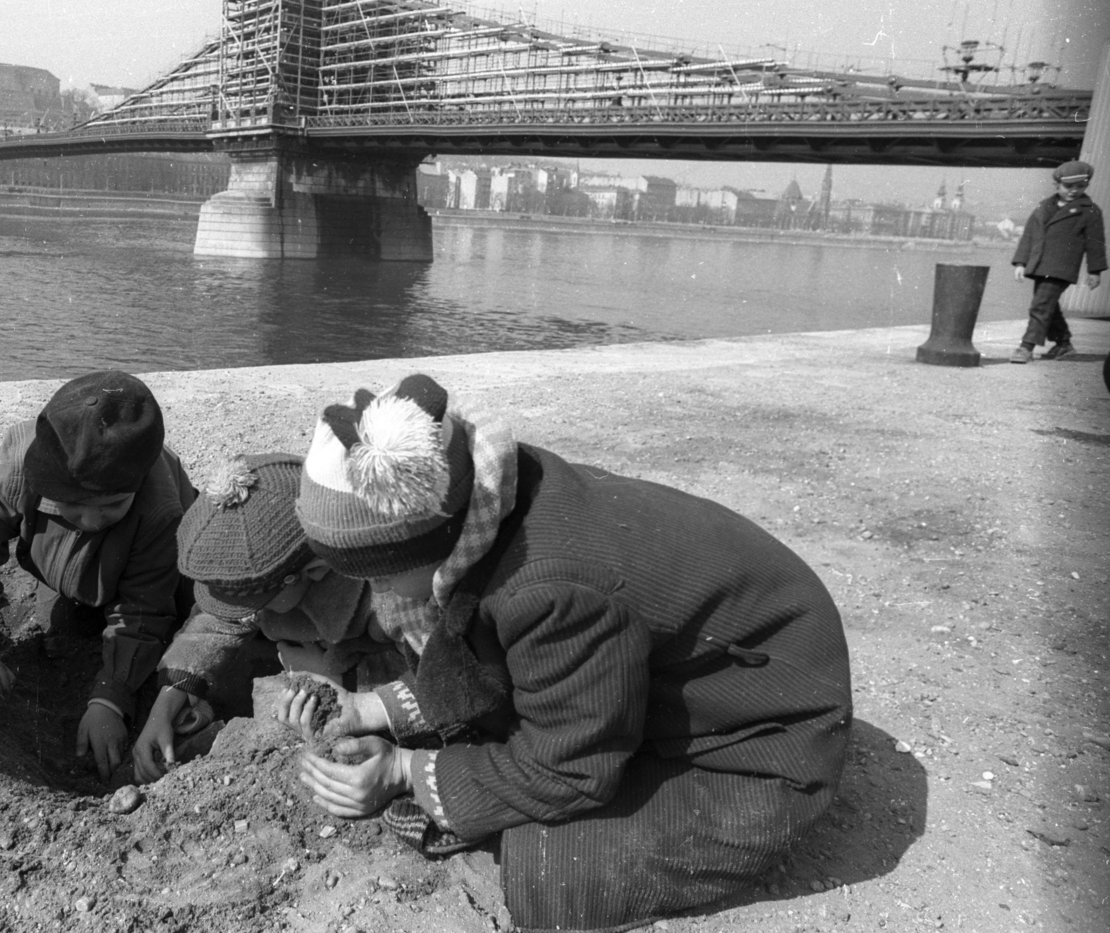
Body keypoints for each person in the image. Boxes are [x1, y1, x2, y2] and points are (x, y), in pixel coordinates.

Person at [278, 373, 852, 932]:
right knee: (493, 742)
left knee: (549, 869)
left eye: (376, 575)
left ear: (424, 547)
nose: (376, 593)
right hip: (690, 670)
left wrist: (406, 771)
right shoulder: (487, 494)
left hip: (767, 737)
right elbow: (496, 655)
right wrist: (371, 710)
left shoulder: (548, 590)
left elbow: (570, 767)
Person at [0, 370, 195, 781]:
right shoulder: (16, 464)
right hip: (67, 572)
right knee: (68, 623)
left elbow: (144, 610)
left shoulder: (161, 510)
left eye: (112, 505)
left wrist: (110, 698)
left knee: (182, 617)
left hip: (165, 573)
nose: (92, 519)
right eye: (73, 507)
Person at [129, 453, 404, 784]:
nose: (247, 612)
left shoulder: (390, 596)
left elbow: (431, 686)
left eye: (257, 599)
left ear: (313, 571)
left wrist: (332, 677)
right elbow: (218, 618)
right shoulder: (271, 563)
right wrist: (171, 695)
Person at [1009, 159, 1105, 363]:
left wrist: (1095, 271)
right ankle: (1064, 344)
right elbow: (1029, 235)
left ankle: (1026, 347)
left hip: (1061, 267)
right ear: (1057, 185)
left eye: (1080, 186)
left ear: (1086, 185)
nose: (1074, 191)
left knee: (1040, 306)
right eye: (1068, 186)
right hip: (1040, 265)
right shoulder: (1044, 207)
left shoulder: (1090, 211)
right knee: (1047, 305)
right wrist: (1020, 262)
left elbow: (1095, 243)